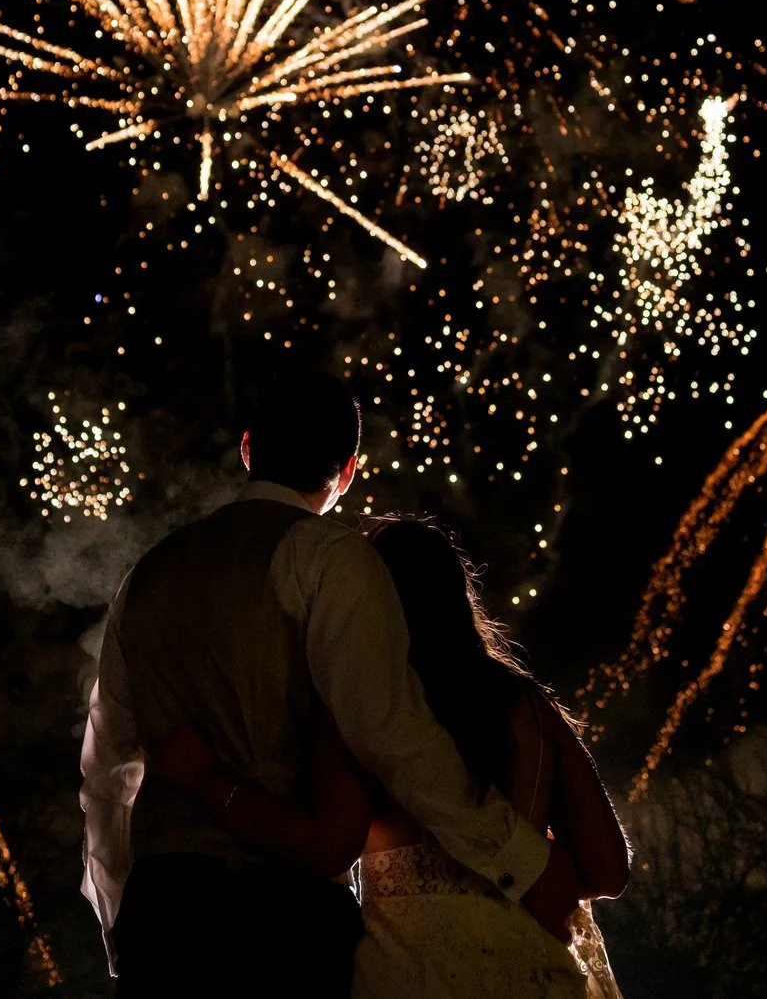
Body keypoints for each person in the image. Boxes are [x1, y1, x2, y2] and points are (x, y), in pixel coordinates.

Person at [81, 373, 581, 997]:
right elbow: (390, 732)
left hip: (164, 914)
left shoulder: (147, 575)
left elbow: (106, 775)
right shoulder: (331, 558)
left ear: (246, 449)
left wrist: (122, 925)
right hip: (281, 919)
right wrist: (520, 860)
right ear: (347, 471)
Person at [153, 515, 632, 997]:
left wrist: (210, 781)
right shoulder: (529, 708)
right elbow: (609, 869)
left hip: (409, 973)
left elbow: (327, 843)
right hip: (532, 975)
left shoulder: (357, 705)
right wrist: (533, 871)